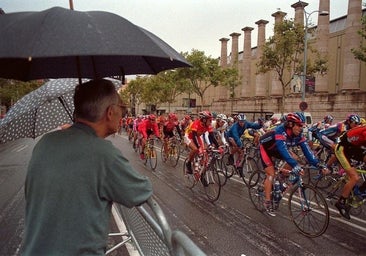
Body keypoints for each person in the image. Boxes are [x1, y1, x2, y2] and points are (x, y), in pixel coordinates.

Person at [22, 79, 152, 255]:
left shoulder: (46, 143)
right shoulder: (103, 153)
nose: (123, 114)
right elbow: (138, 191)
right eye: (122, 108)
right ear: (110, 112)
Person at [259, 112, 328, 217]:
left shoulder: (298, 135)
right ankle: (267, 201)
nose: (302, 128)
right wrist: (295, 165)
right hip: (266, 149)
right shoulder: (280, 131)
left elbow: (308, 152)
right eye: (299, 125)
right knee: (271, 173)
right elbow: (283, 150)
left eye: (302, 125)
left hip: (278, 149)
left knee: (296, 159)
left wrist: (318, 164)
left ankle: (281, 180)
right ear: (290, 124)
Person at [334, 124, 366, 220]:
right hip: (342, 149)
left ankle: (360, 191)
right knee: (355, 177)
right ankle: (341, 202)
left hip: (354, 148)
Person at [184, 111, 219, 177]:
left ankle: (200, 171)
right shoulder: (196, 123)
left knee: (203, 152)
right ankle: (188, 163)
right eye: (210, 120)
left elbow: (212, 136)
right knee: (195, 149)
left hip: (197, 136)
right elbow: (194, 136)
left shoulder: (208, 125)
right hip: (189, 136)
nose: (211, 121)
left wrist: (218, 147)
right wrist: (198, 147)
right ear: (204, 120)